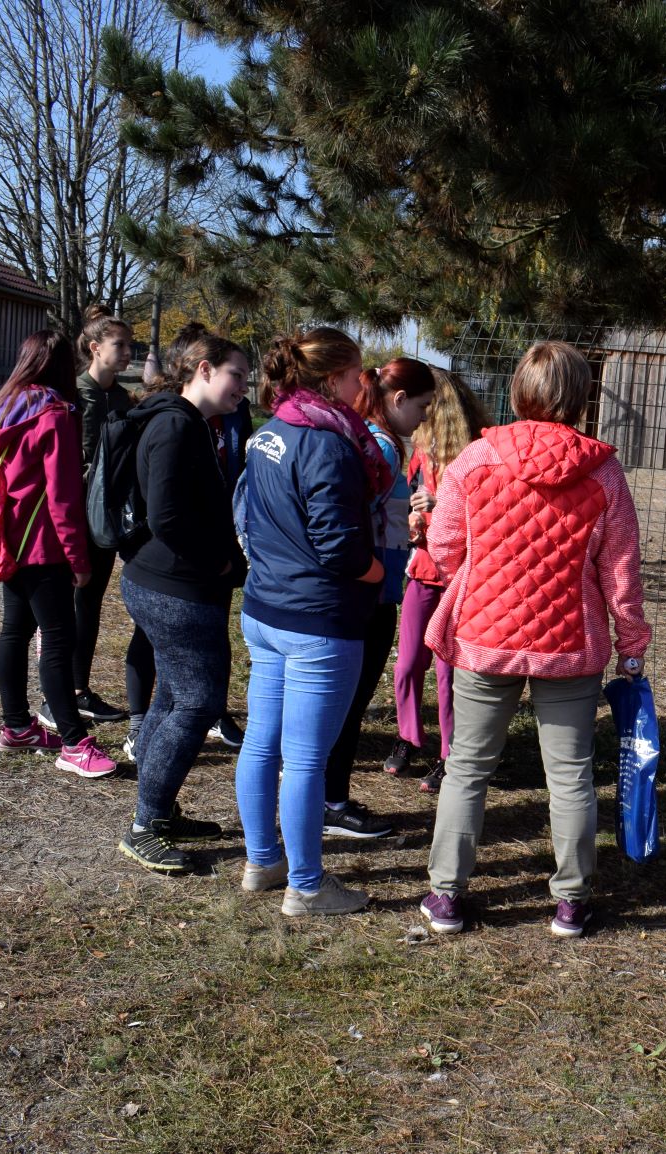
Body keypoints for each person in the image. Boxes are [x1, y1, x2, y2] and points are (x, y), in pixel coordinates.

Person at [418, 341, 650, 939]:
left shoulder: (475, 460)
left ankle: (446, 894)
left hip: (484, 636)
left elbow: (443, 546)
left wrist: (483, 577)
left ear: (520, 388)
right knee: (571, 774)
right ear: (581, 395)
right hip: (570, 641)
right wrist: (631, 641)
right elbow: (620, 567)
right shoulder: (603, 473)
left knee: (467, 767)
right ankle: (571, 902)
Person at [234, 325, 388, 917]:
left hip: (267, 610)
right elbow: (340, 547)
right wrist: (379, 572)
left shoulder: (270, 432)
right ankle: (305, 885)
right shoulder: (328, 445)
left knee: (262, 742)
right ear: (332, 378)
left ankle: (262, 860)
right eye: (356, 374)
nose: (362, 384)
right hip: (317, 621)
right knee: (304, 760)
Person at [115, 331, 250, 873]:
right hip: (175, 587)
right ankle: (145, 825)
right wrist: (215, 564)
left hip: (169, 583)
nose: (243, 387)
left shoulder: (187, 421)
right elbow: (167, 516)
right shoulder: (175, 425)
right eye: (236, 375)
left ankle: (159, 809)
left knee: (173, 698)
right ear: (203, 369)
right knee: (197, 703)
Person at [0, 330, 117, 778]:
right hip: (44, 545)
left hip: (9, 538)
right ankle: (74, 743)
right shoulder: (55, 414)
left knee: (15, 631)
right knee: (58, 638)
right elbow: (62, 496)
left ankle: (18, 726)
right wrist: (79, 558)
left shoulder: (5, 407)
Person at [319, 359, 435, 837]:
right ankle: (333, 801)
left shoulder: (365, 436)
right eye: (422, 407)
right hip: (370, 589)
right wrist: (373, 571)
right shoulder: (382, 448)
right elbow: (354, 516)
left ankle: (326, 794)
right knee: (350, 701)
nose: (424, 418)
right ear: (398, 399)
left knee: (342, 699)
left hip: (363, 586)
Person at [46, 305, 153, 732]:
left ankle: (79, 688)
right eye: (119, 345)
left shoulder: (122, 398)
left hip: (106, 515)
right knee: (68, 607)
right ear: (94, 347)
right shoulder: (73, 395)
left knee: (89, 605)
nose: (127, 352)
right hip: (74, 515)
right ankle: (60, 696)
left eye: (130, 345)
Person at [385, 367, 491, 793]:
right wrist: (414, 521)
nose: (424, 416)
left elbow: (486, 518)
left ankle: (450, 754)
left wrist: (440, 502)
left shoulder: (478, 455)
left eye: (430, 406)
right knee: (408, 662)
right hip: (424, 571)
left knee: (449, 672)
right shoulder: (420, 454)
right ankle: (409, 735)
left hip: (461, 579)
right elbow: (411, 505)